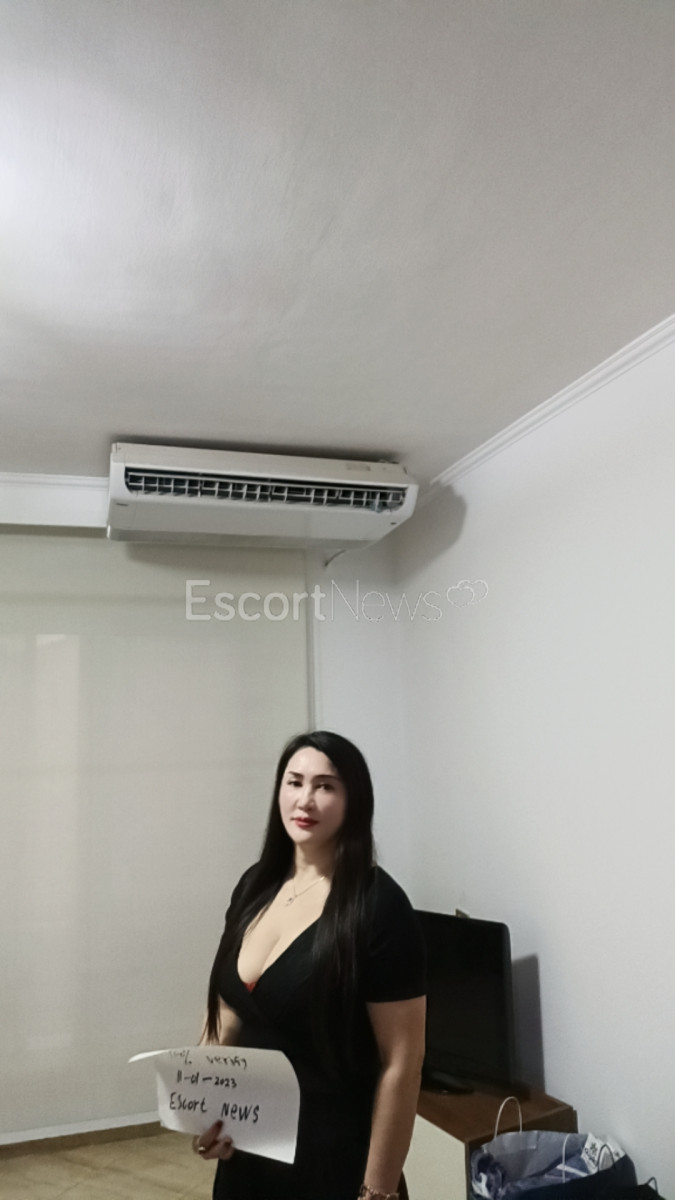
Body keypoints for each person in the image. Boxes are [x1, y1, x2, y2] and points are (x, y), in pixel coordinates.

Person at [193, 729, 427, 1200]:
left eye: (326, 786)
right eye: (294, 782)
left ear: (353, 801)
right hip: (248, 1155)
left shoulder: (379, 906)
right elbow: (227, 1013)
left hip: (332, 1163)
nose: (305, 800)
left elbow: (401, 1062)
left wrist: (377, 1190)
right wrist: (204, 1109)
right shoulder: (254, 886)